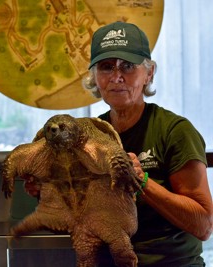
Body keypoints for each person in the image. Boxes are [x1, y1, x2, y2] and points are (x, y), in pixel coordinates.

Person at [81, 21, 212, 266]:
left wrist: (141, 182)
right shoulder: (91, 134)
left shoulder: (175, 131)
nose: (116, 77)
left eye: (128, 66)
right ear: (95, 77)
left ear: (149, 73)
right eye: (106, 67)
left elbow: (203, 225)